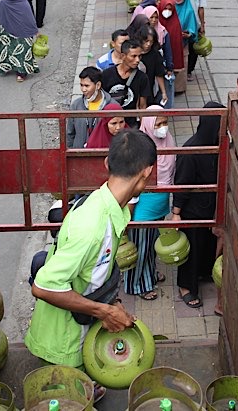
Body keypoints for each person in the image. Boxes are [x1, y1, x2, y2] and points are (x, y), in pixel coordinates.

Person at [25, 129, 156, 395]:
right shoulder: (93, 224)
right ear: (147, 172)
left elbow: (93, 272)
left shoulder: (112, 208)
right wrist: (104, 312)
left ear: (107, 163)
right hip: (62, 343)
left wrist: (111, 304)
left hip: (80, 331)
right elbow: (43, 287)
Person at [172, 101, 224, 309]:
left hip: (209, 207)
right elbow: (182, 184)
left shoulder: (217, 147)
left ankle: (203, 273)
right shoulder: (191, 150)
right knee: (191, 249)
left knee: (206, 243)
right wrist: (176, 213)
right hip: (192, 211)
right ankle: (186, 287)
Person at [125, 106, 174, 300]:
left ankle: (149, 275)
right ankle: (136, 284)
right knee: (140, 247)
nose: (163, 128)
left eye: (165, 122)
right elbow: (134, 181)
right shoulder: (140, 148)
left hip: (160, 206)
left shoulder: (167, 141)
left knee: (151, 245)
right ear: (147, 124)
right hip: (143, 208)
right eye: (158, 123)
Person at [0, 0, 40, 82]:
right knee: (22, 52)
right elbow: (30, 19)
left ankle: (6, 67)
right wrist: (36, 31)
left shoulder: (3, 4)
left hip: (9, 35)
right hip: (24, 34)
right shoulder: (24, 3)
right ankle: (21, 74)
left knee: (7, 49)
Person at [101, 40, 149, 117]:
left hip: (130, 123)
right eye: (133, 56)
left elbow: (142, 106)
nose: (137, 60)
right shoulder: (107, 74)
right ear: (123, 56)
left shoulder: (142, 78)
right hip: (110, 120)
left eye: (139, 56)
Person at [69, 68, 112, 149]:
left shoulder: (112, 106)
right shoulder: (76, 105)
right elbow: (70, 133)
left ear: (98, 85)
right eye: (81, 85)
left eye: (87, 86)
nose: (83, 89)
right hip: (79, 155)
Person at [128, 17, 167, 107]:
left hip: (148, 90)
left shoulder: (155, 55)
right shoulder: (132, 51)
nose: (148, 44)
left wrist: (164, 92)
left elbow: (159, 74)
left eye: (151, 42)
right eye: (146, 41)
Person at [157, 0, 185, 96]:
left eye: (170, 9)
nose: (167, 11)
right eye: (165, 8)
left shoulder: (175, 22)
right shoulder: (156, 19)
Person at [181, 0, 206, 78]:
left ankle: (189, 70)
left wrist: (202, 24)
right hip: (182, 23)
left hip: (194, 23)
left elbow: (201, 8)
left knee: (193, 48)